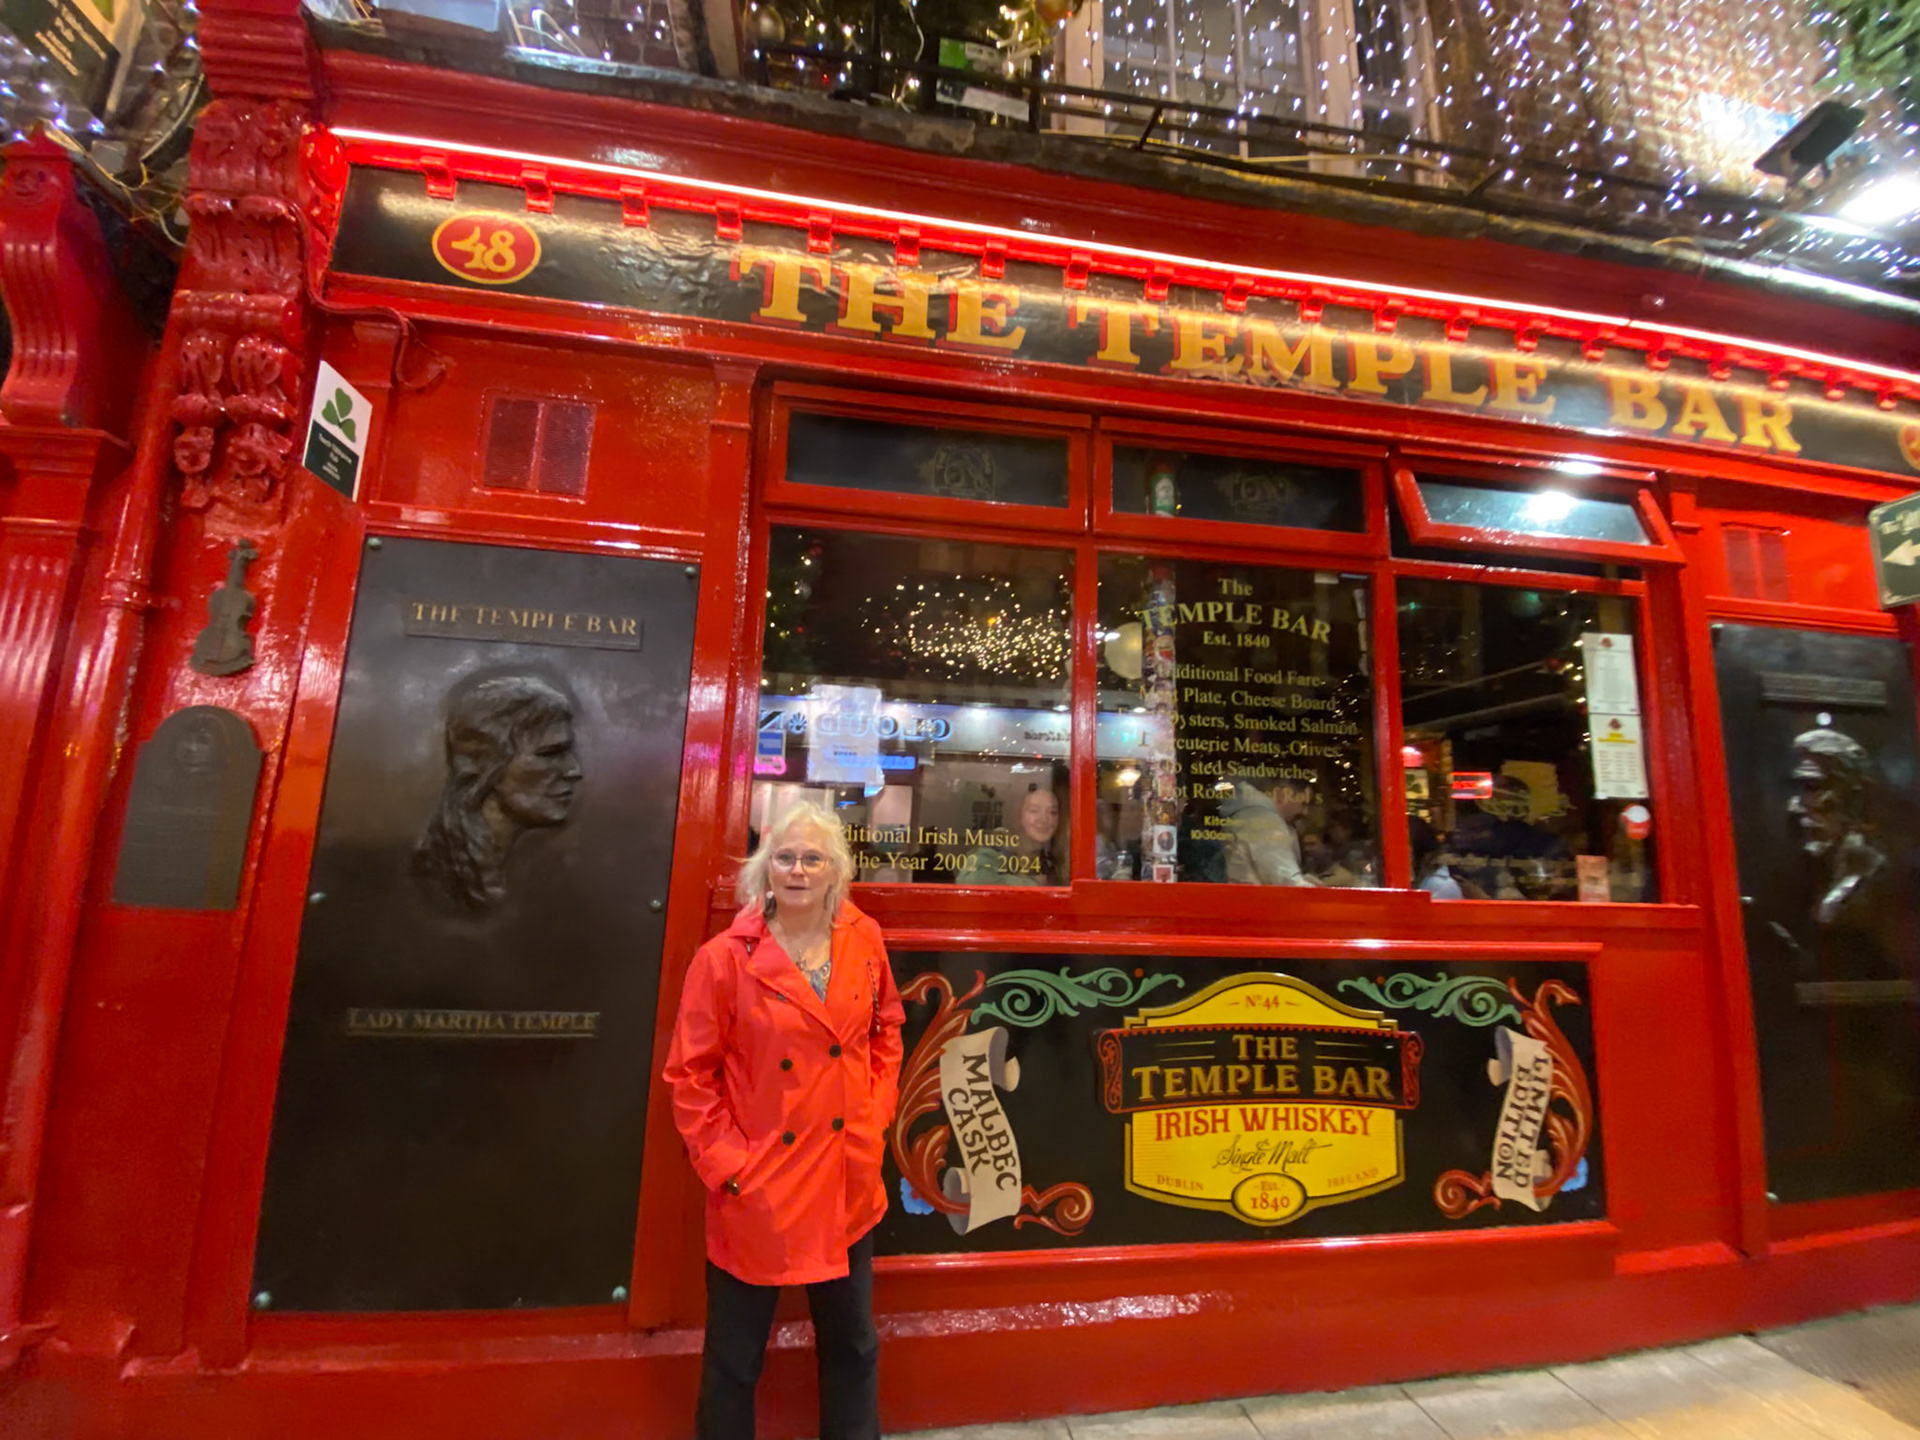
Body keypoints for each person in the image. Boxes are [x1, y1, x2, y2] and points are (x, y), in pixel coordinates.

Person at [664, 801, 905, 1440]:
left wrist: (872, 1119)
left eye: (813, 858)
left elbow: (886, 1032)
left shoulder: (864, 938)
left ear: (836, 871)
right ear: (764, 869)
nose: (798, 870)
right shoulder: (723, 958)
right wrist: (729, 1166)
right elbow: (689, 1075)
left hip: (846, 1177)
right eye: (785, 858)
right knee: (734, 1360)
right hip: (759, 1185)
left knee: (853, 1345)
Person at [412, 672, 581, 911]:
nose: (574, 771)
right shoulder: (439, 875)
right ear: (486, 763)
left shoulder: (544, 874)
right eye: (550, 754)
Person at [1217, 776, 1315, 886]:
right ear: (1282, 795)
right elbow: (1284, 877)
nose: (1305, 812)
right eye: (1303, 803)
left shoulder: (1247, 815)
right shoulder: (1265, 821)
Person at [967, 783, 1064, 885]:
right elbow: (969, 879)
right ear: (1019, 815)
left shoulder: (1052, 855)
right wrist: (1032, 884)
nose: (1043, 819)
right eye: (1034, 811)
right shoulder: (1000, 845)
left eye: (1052, 812)